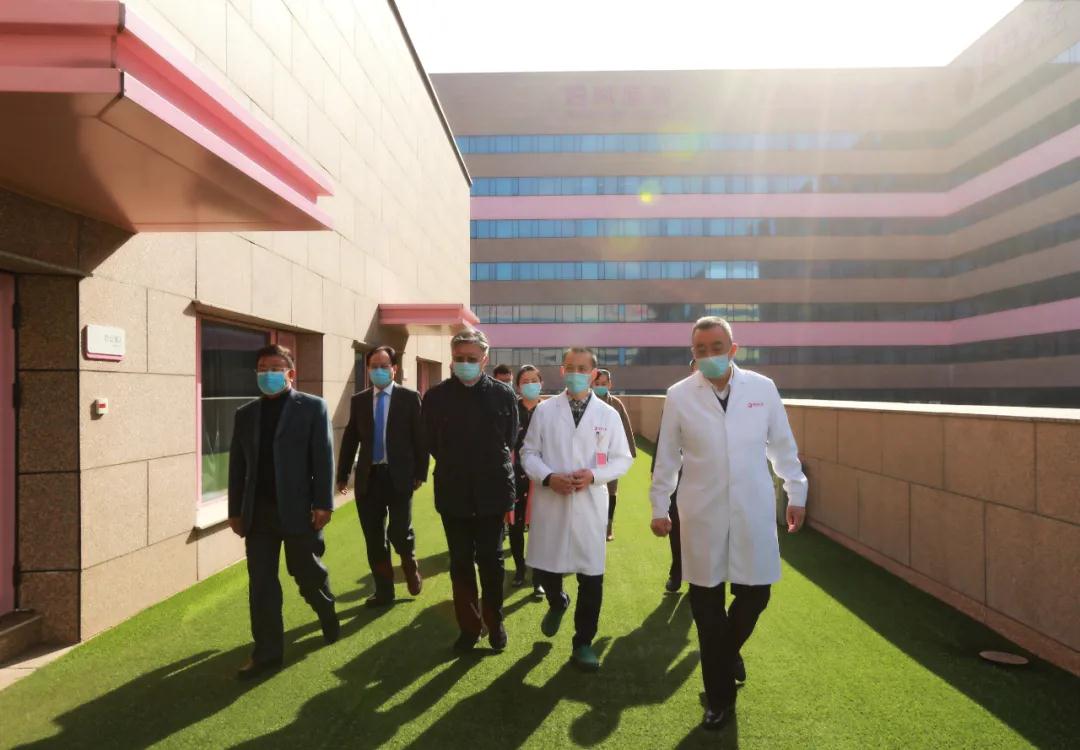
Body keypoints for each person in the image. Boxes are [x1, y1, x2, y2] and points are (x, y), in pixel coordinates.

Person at [649, 317, 807, 730]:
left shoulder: (762, 388)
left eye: (716, 347)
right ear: (693, 353)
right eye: (700, 349)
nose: (709, 355)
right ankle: (719, 699)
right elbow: (667, 457)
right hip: (701, 511)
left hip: (752, 506)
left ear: (733, 349)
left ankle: (724, 651)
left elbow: (782, 445)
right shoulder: (679, 395)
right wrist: (659, 506)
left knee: (757, 594)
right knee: (706, 606)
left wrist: (796, 491)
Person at [227, 344, 339, 680]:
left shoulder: (313, 407)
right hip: (258, 514)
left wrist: (323, 503)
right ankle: (266, 653)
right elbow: (237, 466)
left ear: (290, 373)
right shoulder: (246, 414)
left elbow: (323, 458)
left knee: (305, 573)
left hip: (299, 510)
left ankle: (325, 608)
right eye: (262, 369)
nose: (268, 374)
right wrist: (235, 510)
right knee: (261, 583)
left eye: (275, 368)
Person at [522, 347, 634, 671]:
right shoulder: (545, 411)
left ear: (593, 374)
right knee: (547, 568)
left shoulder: (608, 415)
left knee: (591, 577)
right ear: (562, 371)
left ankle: (583, 643)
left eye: (582, 368)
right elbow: (529, 453)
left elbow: (622, 459)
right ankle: (557, 601)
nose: (575, 373)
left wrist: (594, 475)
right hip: (552, 501)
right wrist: (548, 477)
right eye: (570, 367)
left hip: (590, 504)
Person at [422, 329, 518, 653]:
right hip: (453, 492)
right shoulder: (436, 397)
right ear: (451, 359)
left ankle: (495, 622)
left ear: (484, 359)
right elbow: (430, 442)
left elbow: (510, 438)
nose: (464, 363)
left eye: (471, 358)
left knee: (492, 561)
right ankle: (469, 627)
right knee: (460, 562)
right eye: (459, 358)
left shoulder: (503, 395)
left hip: (493, 492)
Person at [336, 345, 428, 607]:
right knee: (375, 539)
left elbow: (420, 438)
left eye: (384, 366)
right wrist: (342, 474)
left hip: (400, 476)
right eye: (373, 366)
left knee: (399, 532)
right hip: (369, 478)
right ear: (367, 369)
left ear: (394, 369)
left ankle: (409, 563)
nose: (378, 370)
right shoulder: (359, 400)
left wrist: (420, 472)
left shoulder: (409, 398)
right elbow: (351, 438)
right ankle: (384, 591)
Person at [650, 359, 696, 594]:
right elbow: (665, 441)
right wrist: (656, 471)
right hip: (678, 476)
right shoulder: (678, 397)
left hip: (708, 481)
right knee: (677, 526)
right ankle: (677, 572)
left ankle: (698, 578)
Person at [509, 365, 545, 599]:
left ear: (541, 383)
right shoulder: (511, 409)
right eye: (525, 381)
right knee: (515, 526)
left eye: (534, 380)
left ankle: (538, 579)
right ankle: (520, 570)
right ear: (518, 386)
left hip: (542, 478)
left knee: (539, 529)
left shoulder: (550, 410)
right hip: (514, 476)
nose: (530, 384)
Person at [590, 369, 636, 541]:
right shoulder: (586, 403)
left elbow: (626, 427)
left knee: (611, 490)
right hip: (590, 455)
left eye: (604, 384)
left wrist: (629, 451)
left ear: (610, 384)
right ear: (591, 384)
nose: (600, 386)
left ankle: (608, 526)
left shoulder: (616, 404)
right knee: (591, 487)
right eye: (597, 384)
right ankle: (593, 524)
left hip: (610, 455)